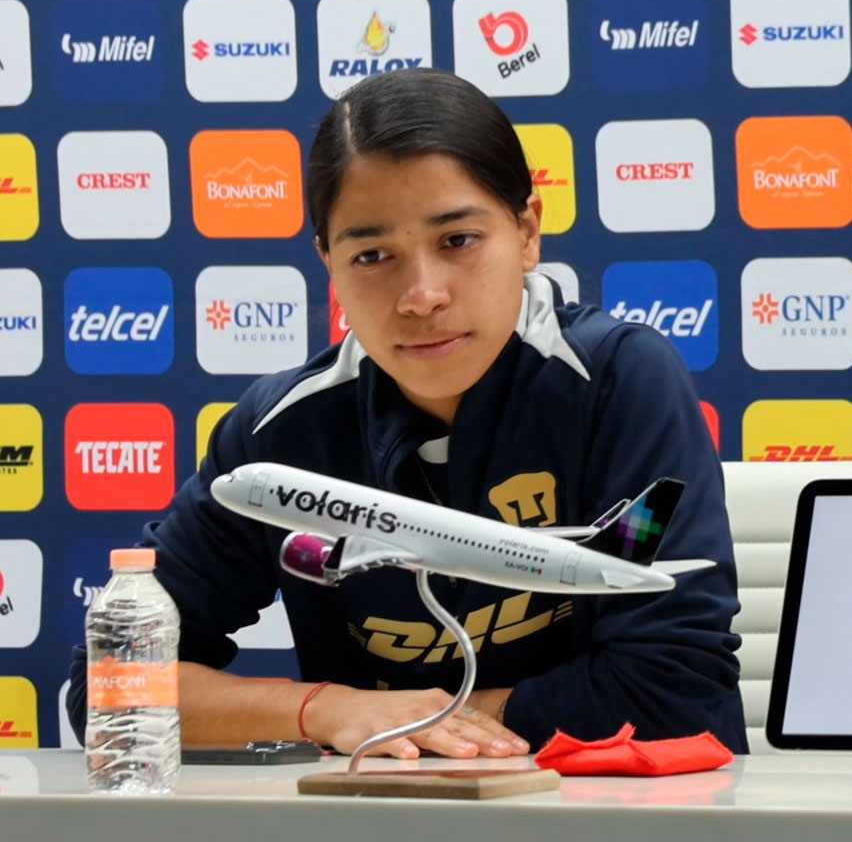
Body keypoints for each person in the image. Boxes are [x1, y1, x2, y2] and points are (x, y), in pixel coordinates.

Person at [66, 68, 746, 759]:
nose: (421, 295)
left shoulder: (615, 379)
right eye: (372, 255)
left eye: (458, 240)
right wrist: (325, 710)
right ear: (327, 262)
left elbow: (677, 688)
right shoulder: (278, 432)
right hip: (391, 805)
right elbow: (108, 691)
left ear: (526, 231)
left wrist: (425, 722)